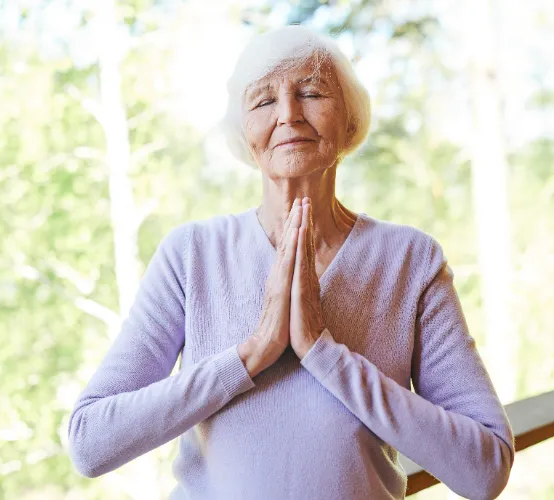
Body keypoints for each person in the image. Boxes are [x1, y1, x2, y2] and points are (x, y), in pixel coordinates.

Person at [67, 25, 514, 499]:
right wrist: (251, 355)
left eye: (312, 92)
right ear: (245, 133)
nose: (288, 115)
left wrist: (325, 354)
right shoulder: (191, 254)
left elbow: (484, 470)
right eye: (263, 102)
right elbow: (91, 443)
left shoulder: (411, 260)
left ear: (349, 119)